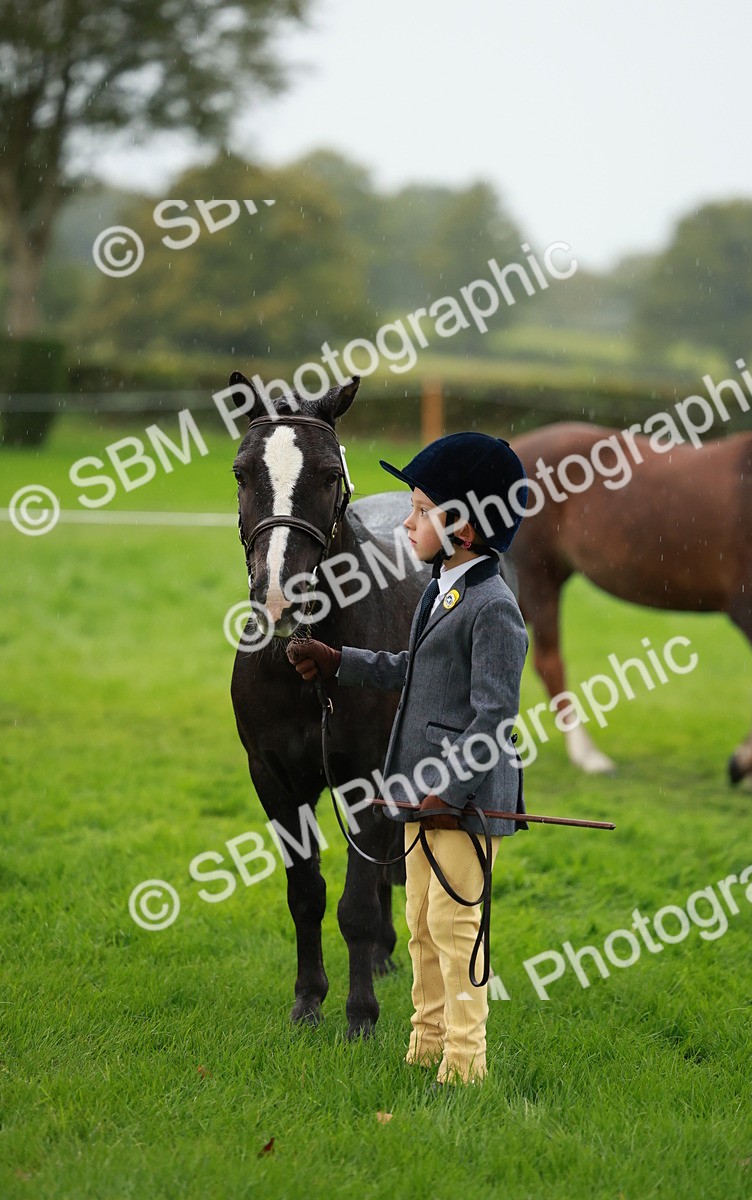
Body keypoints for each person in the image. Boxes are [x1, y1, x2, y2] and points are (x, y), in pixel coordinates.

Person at [287, 433, 529, 1085]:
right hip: (418, 792)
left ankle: (464, 1063)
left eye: (421, 510)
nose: (408, 521)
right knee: (419, 923)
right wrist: (342, 662)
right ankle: (424, 1043)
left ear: (465, 526)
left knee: (456, 929)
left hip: (463, 801)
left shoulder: (495, 610)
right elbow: (410, 668)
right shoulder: (437, 588)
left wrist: (451, 791)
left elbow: (493, 719)